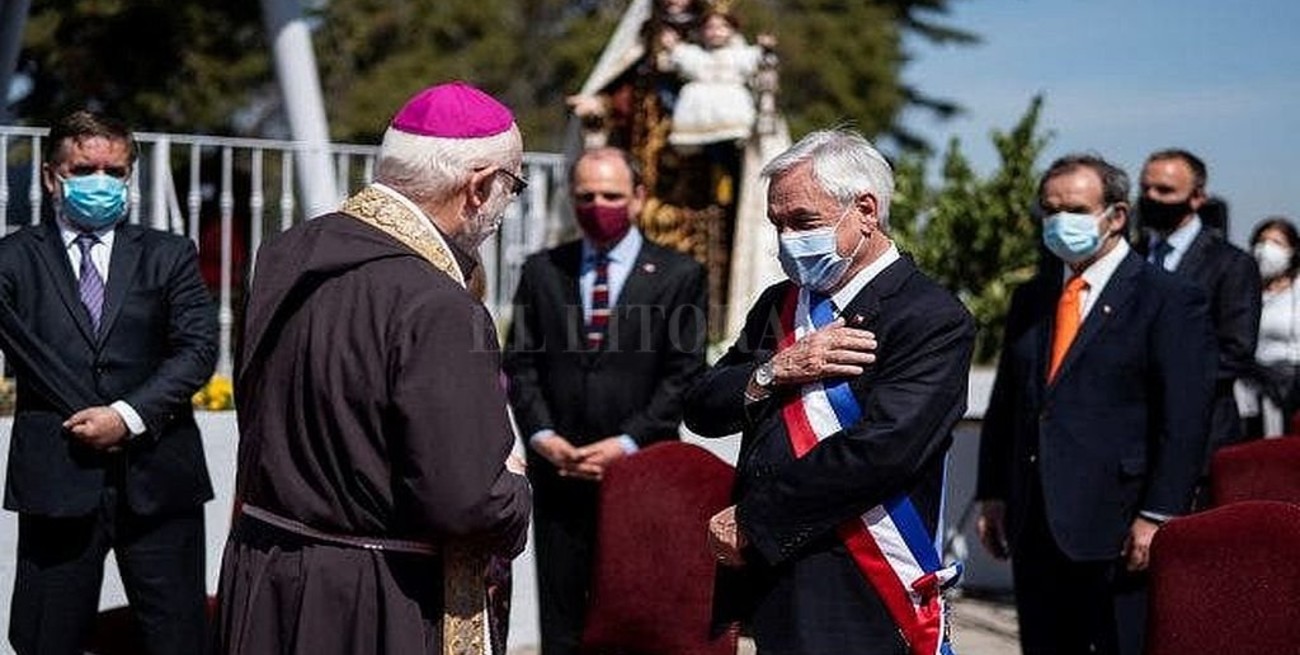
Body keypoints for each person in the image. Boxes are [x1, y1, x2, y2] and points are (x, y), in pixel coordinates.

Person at [213, 82, 532, 655]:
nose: (509, 206)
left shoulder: (285, 255)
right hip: (374, 602)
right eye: (514, 186)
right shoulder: (439, 305)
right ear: (480, 187)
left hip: (264, 574)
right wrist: (516, 491)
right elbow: (464, 500)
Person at [685, 128, 973, 655]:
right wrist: (772, 370)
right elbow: (703, 406)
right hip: (775, 573)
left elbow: (883, 449)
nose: (787, 240)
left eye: (803, 223)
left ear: (865, 210)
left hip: (860, 575)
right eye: (778, 225)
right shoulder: (781, 302)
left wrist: (755, 518)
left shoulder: (931, 316)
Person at [977, 154, 1218, 655]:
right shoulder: (1033, 298)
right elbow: (1009, 402)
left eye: (1077, 209)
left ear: (1116, 216)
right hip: (1034, 517)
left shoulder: (1169, 299)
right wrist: (994, 492)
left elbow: (1185, 418)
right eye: (1050, 208)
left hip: (1118, 522)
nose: (1060, 220)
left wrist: (1158, 515)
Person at [0, 110, 218, 654]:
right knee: (45, 636)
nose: (101, 181)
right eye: (84, 168)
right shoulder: (13, 259)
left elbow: (197, 350)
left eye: (115, 171)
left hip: (159, 479)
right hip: (57, 480)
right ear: (53, 176)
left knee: (178, 636)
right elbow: (24, 347)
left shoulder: (169, 255)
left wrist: (126, 416)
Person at [502, 146, 708, 655]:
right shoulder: (542, 270)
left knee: (637, 619)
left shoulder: (681, 275)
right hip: (561, 478)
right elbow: (521, 364)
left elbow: (683, 375)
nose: (599, 205)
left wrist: (627, 442)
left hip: (643, 477)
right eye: (586, 195)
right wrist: (544, 437)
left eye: (611, 195)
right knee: (564, 622)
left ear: (637, 197)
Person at [1138, 148, 1261, 452]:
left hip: (1201, 435)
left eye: (1165, 190)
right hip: (1134, 437)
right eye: (1145, 189)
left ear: (1197, 198)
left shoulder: (1231, 265)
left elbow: (1236, 350)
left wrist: (1158, 372)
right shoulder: (1130, 258)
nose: (1151, 197)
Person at [662, 10, 765, 149]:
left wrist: (764, 48)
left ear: (733, 31)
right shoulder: (696, 54)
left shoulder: (739, 54)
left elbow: (755, 59)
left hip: (733, 113)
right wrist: (673, 47)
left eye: (723, 27)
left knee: (732, 152)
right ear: (701, 31)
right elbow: (686, 59)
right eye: (710, 27)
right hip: (698, 116)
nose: (716, 32)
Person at [1238, 216, 1300, 437]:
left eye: (1277, 243)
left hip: (1291, 386)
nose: (1266, 249)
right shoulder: (1244, 289)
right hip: (1251, 389)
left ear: (1292, 250)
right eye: (1262, 241)